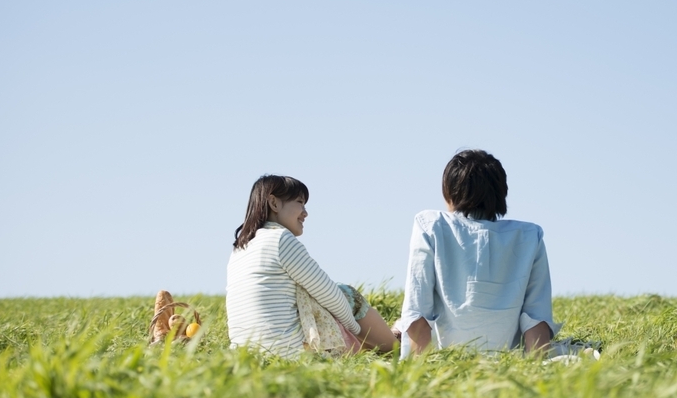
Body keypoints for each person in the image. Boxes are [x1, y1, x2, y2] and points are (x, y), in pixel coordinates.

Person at [398, 150, 561, 357]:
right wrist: (538, 369)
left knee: (395, 328)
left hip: (445, 357)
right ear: (501, 192)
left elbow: (418, 310)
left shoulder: (430, 225)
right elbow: (536, 318)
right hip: (508, 358)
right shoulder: (529, 236)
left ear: (449, 191)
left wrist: (416, 373)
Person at [227, 174, 396, 358]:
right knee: (347, 295)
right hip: (290, 355)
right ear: (274, 203)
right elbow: (330, 294)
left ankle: (378, 349)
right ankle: (398, 351)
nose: (305, 213)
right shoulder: (280, 239)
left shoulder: (239, 250)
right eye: (300, 202)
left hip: (246, 357)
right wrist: (354, 328)